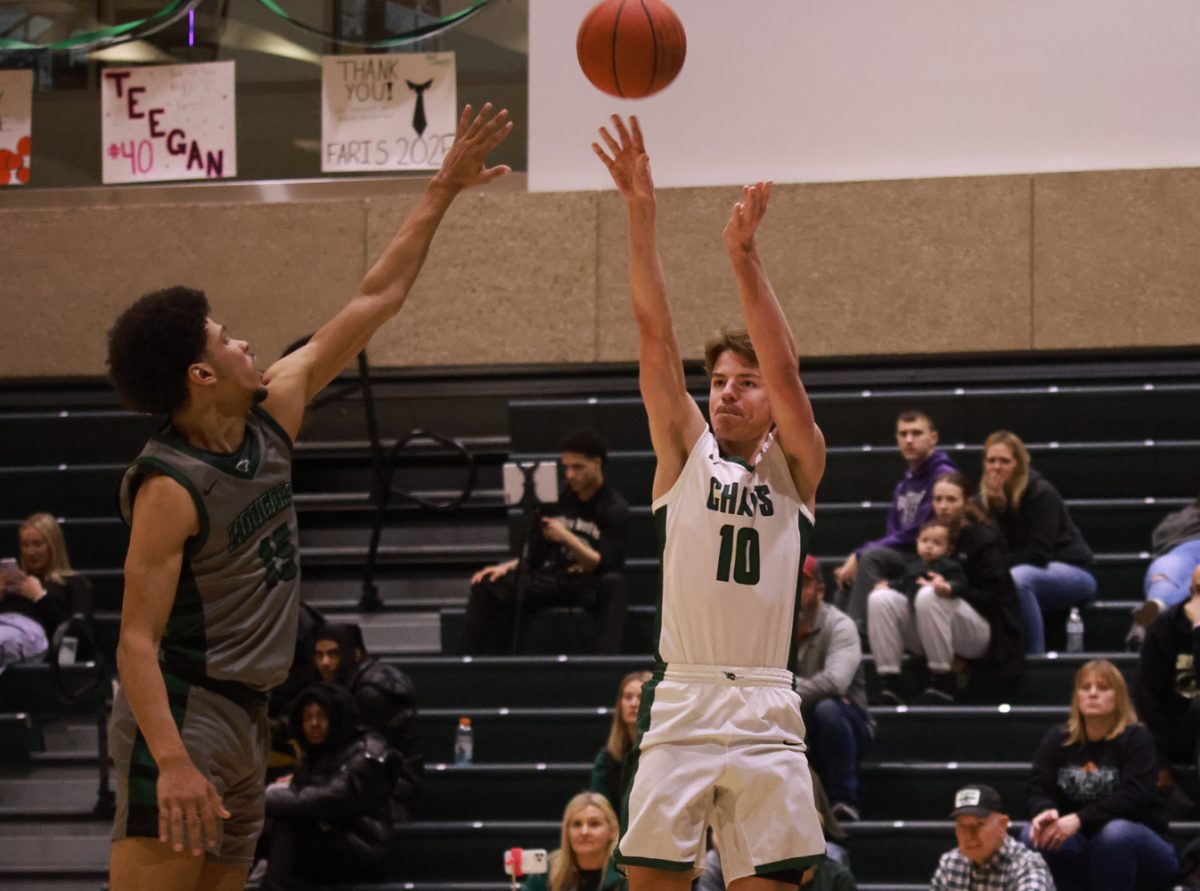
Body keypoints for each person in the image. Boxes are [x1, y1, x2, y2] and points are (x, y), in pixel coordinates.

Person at [104, 103, 512, 891]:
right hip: (188, 712)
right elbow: (134, 644)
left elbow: (374, 300)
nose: (245, 342)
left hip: (252, 714)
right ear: (199, 373)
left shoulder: (274, 408)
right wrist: (174, 759)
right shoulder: (169, 484)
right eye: (226, 337)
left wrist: (443, 188)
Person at [594, 114, 826, 889]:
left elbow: (790, 373)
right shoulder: (685, 455)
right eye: (719, 380)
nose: (728, 391)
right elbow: (653, 333)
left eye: (744, 381)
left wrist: (744, 256)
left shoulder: (797, 465)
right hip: (686, 694)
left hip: (765, 700)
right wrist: (640, 213)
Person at [462, 429, 631, 655]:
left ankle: (607, 663)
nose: (570, 475)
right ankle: (470, 660)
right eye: (567, 467)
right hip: (554, 576)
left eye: (578, 467)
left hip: (588, 582)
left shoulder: (614, 508)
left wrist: (566, 537)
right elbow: (535, 554)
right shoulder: (556, 498)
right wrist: (509, 566)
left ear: (597, 463)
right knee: (486, 584)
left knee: (615, 584)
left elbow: (601, 564)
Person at [1023, 659, 1177, 891]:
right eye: (1086, 688)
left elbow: (1135, 796)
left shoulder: (1137, 739)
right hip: (1082, 845)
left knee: (1114, 834)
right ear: (1077, 696)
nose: (1093, 694)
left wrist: (1079, 818)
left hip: (1143, 848)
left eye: (1103, 688)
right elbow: (1037, 787)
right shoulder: (1058, 739)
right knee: (1032, 834)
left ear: (1119, 697)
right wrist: (1044, 810)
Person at [259, 683, 398, 891]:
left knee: (287, 822)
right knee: (257, 825)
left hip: (362, 847)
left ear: (338, 717)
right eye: (307, 718)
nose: (314, 724)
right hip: (329, 839)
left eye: (322, 716)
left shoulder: (366, 752)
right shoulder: (314, 753)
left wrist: (259, 800)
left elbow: (333, 799)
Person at [832, 410, 957, 628]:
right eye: (903, 434)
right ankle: (836, 639)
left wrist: (860, 554)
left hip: (931, 557)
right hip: (906, 556)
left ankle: (856, 629)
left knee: (869, 558)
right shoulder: (904, 483)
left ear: (933, 438)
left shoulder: (942, 476)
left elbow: (915, 534)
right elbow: (893, 534)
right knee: (847, 580)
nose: (909, 440)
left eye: (916, 433)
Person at [976, 430, 1096, 655]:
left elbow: (1038, 553)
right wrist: (997, 508)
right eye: (991, 460)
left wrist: (996, 564)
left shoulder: (1041, 493)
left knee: (1018, 579)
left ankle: (1034, 655)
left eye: (1004, 461)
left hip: (1071, 571)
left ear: (1019, 464)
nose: (997, 467)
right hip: (1024, 570)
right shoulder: (983, 499)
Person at [868, 516, 990, 704]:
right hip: (925, 627)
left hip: (968, 630)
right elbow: (904, 583)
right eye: (925, 541)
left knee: (928, 594)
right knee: (879, 598)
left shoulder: (950, 566)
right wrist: (888, 585)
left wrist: (947, 587)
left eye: (937, 543)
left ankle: (942, 679)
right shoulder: (913, 566)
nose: (929, 546)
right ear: (917, 542)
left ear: (949, 549)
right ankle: (890, 682)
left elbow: (963, 583)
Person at [310, 623, 422, 820]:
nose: (325, 663)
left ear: (355, 655)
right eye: (319, 655)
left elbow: (368, 763)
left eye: (333, 654)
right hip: (371, 790)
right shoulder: (348, 688)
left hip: (390, 799)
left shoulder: (371, 694)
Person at [792, 555, 872, 822]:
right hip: (797, 717)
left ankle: (843, 800)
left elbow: (836, 682)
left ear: (820, 589)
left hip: (849, 721)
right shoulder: (776, 628)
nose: (793, 593)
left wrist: (786, 687)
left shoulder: (840, 625)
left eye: (801, 585)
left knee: (827, 708)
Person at [1134, 564, 1200, 794]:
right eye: (1199, 591)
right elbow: (1148, 699)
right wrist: (1160, 762)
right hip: (1176, 732)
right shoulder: (1164, 628)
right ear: (1190, 592)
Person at [0, 512, 92, 668]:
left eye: (37, 544)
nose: (30, 552)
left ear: (53, 546)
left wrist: (39, 597)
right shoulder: (13, 580)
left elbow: (78, 632)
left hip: (30, 633)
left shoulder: (73, 583)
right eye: (25, 545)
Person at [930, 783, 1053, 891]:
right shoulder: (950, 863)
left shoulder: (1028, 865)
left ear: (1002, 825)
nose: (969, 834)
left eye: (978, 824)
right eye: (962, 826)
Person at [1127, 493, 1200, 650]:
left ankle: (1152, 620)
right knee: (1165, 570)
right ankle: (1153, 608)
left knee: (1194, 579)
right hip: (1184, 549)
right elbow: (1160, 538)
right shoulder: (1187, 515)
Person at [522, 791, 625, 891]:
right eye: (577, 824)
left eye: (594, 824)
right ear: (567, 831)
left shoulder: (626, 872)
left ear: (612, 831)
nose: (584, 832)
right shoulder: (547, 871)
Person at [590, 670, 652, 813]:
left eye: (641, 697)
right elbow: (600, 810)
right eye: (628, 697)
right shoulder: (607, 759)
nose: (633, 704)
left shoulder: (666, 754)